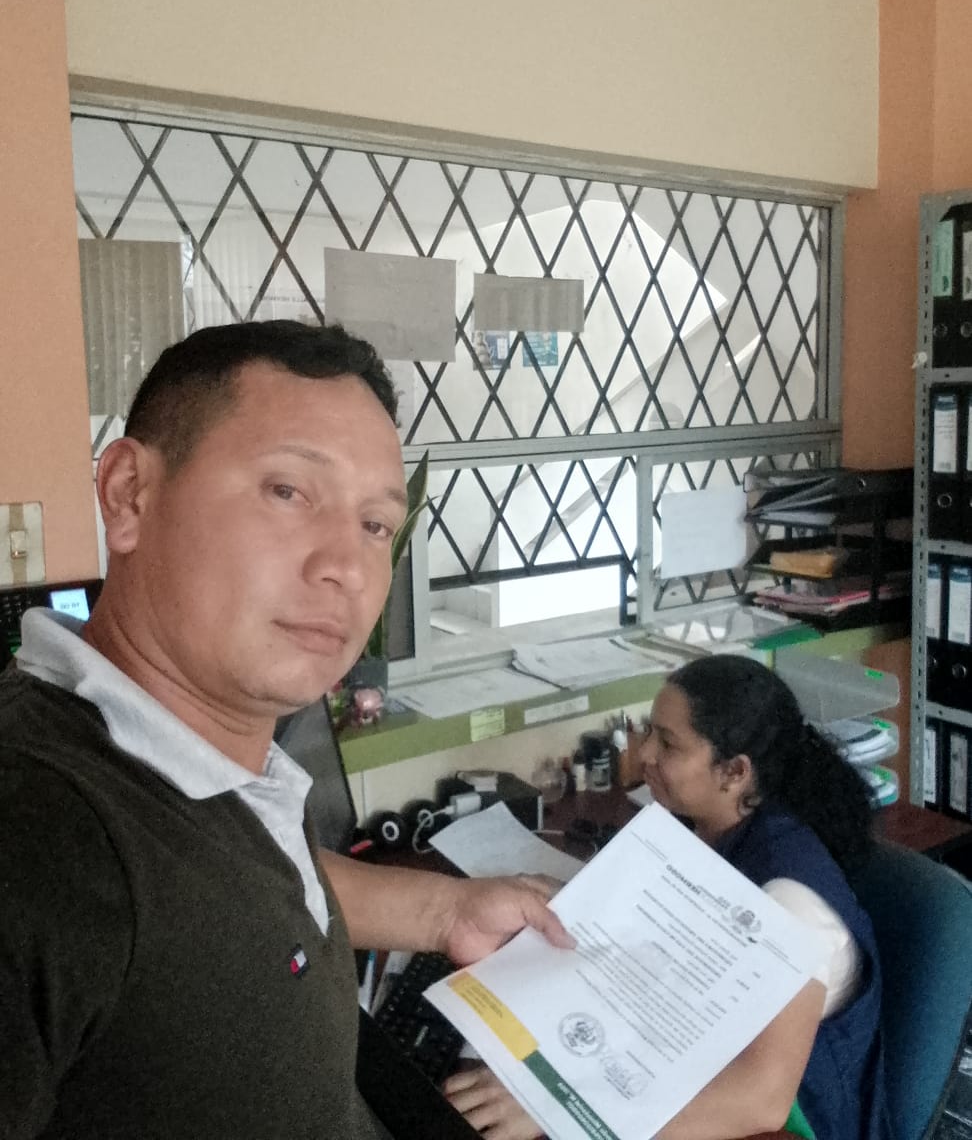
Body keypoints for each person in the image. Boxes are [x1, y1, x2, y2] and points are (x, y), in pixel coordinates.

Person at [0, 320, 572, 1140]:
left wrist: (445, 914)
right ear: (129, 495)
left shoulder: (198, 759)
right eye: (288, 492)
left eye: (376, 526)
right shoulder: (37, 836)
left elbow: (231, 882)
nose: (345, 566)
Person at [444, 654, 892, 1140]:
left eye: (669, 743)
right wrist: (576, 902)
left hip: (792, 1121)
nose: (644, 755)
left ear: (734, 772)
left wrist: (558, 1107)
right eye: (649, 732)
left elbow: (760, 1100)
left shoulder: (789, 903)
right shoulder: (701, 827)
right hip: (687, 1051)